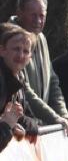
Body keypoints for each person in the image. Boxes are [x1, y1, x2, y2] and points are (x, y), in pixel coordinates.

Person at [11, 0, 68, 133]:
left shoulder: (41, 38)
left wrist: (63, 115)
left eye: (42, 16)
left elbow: (52, 82)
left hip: (40, 128)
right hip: (20, 128)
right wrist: (55, 118)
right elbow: (23, 89)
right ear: (19, 12)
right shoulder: (9, 39)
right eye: (33, 15)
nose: (38, 21)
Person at [0, 24, 42, 153]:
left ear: (30, 58)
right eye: (16, 49)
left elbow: (30, 120)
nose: (21, 55)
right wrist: (7, 125)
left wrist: (13, 123)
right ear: (2, 51)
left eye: (26, 51)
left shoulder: (19, 80)